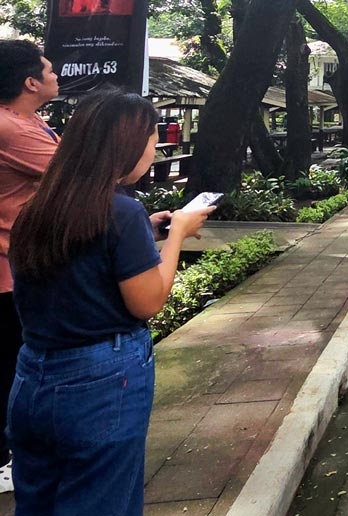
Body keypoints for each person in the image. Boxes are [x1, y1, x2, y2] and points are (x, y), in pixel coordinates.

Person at [7, 89, 213, 515]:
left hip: (33, 376)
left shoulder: (40, 207)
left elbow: (87, 253)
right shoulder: (121, 212)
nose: (153, 152)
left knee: (39, 503)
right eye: (152, 143)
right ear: (126, 147)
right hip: (100, 382)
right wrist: (177, 234)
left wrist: (150, 233)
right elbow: (148, 302)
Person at [0, 39, 60, 494]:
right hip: (6, 269)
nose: (56, 76)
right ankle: (7, 457)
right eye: (49, 70)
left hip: (20, 263)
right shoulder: (11, 129)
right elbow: (77, 174)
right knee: (10, 366)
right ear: (29, 82)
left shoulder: (28, 120)